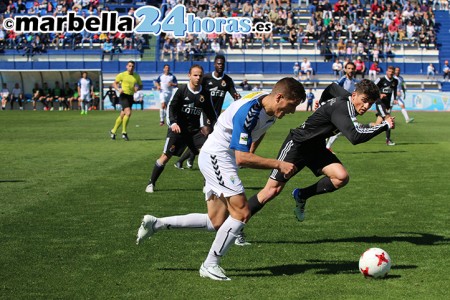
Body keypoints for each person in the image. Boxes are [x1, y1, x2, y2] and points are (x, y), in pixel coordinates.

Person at [137, 77, 306, 281]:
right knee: (242, 212)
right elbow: (241, 157)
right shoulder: (250, 111)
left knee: (216, 221)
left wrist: (251, 149)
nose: (292, 111)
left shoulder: (269, 107)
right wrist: (279, 164)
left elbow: (255, 133)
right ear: (279, 97)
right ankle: (210, 265)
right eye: (292, 105)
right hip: (218, 157)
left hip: (221, 157)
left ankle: (156, 224)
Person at [240, 80, 394, 243]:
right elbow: (355, 137)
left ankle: (301, 195)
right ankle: (237, 226)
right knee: (271, 191)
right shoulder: (342, 108)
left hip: (316, 148)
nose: (366, 106)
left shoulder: (346, 97)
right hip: (298, 145)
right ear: (354, 95)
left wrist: (321, 103)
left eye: (370, 103)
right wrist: (384, 125)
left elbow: (332, 87)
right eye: (364, 100)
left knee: (340, 177)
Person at [145, 64, 218, 193]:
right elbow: (171, 107)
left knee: (207, 154)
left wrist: (216, 126)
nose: (198, 78)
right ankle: (151, 183)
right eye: (195, 75)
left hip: (195, 132)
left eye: (200, 75)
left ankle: (207, 185)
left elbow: (211, 112)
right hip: (177, 130)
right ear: (189, 76)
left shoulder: (205, 93)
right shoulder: (181, 90)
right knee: (166, 156)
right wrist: (173, 123)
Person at [174, 54, 241, 170]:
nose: (220, 65)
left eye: (222, 64)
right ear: (214, 64)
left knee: (206, 140)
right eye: (218, 63)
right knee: (207, 139)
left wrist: (237, 96)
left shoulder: (227, 80)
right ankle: (184, 160)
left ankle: (186, 160)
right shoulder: (205, 78)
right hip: (203, 114)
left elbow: (233, 93)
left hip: (215, 114)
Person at [326, 62, 359, 151]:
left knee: (337, 128)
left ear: (355, 70)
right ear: (345, 69)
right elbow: (333, 90)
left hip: (349, 107)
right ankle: (327, 146)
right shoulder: (342, 80)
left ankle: (326, 144)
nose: (351, 70)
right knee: (341, 128)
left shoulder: (355, 82)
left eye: (352, 68)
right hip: (341, 107)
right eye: (349, 68)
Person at [110, 60, 143, 141]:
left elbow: (141, 85)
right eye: (129, 66)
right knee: (128, 112)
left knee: (122, 115)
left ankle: (113, 131)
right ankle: (124, 132)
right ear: (126, 66)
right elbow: (114, 83)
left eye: (132, 66)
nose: (131, 67)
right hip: (123, 95)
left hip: (130, 97)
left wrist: (137, 88)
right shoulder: (122, 74)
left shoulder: (136, 76)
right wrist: (118, 89)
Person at [374, 66, 399, 146]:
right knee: (388, 119)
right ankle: (388, 140)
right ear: (386, 71)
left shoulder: (395, 81)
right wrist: (379, 94)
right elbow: (372, 88)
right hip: (379, 102)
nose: (391, 73)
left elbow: (394, 91)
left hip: (386, 104)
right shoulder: (380, 80)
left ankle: (363, 129)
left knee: (377, 124)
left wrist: (395, 99)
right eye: (389, 71)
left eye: (392, 71)